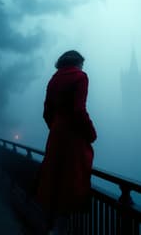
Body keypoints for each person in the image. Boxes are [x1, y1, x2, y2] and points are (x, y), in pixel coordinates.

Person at [35, 50, 97, 234]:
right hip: (73, 137)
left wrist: (56, 128)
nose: (82, 68)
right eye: (82, 65)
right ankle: (61, 229)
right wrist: (90, 134)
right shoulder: (80, 77)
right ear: (78, 63)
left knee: (54, 180)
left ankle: (52, 227)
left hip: (56, 137)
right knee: (73, 181)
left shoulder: (53, 80)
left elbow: (46, 112)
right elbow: (79, 110)